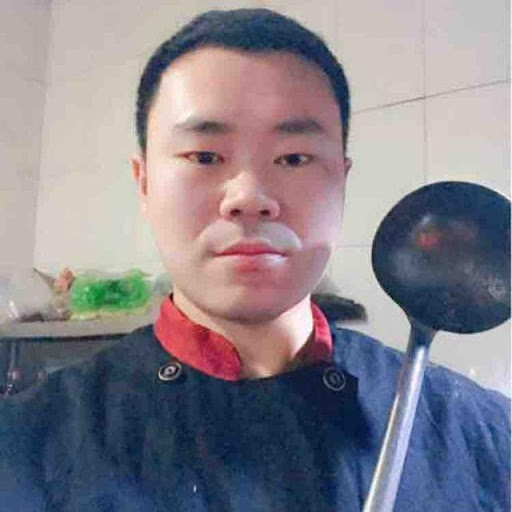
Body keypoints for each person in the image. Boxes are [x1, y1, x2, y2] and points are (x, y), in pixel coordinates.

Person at [0, 8, 509, 512]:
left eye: (294, 158)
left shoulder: (487, 439)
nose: (249, 196)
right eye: (204, 156)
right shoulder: (24, 451)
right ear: (145, 183)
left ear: (342, 180)